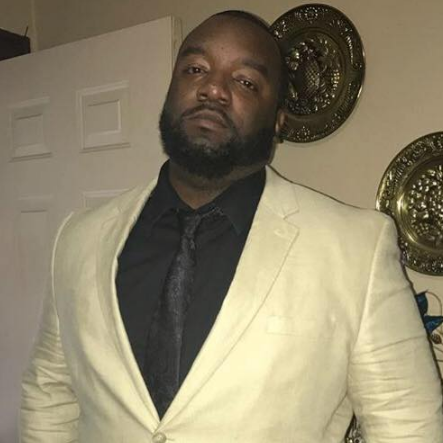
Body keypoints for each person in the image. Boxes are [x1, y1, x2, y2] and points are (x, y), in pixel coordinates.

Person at [20, 10, 443, 443]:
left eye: (245, 81)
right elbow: (49, 395)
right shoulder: (80, 238)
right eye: (195, 69)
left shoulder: (356, 250)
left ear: (278, 121)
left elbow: (408, 426)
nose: (213, 89)